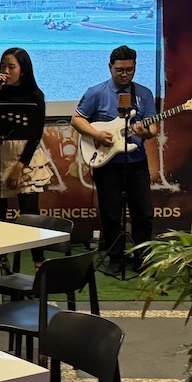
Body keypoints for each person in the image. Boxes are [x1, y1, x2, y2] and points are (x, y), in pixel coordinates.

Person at [70, 45, 158, 271]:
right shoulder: (96, 92)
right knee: (111, 213)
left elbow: (153, 129)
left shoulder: (144, 94)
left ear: (135, 67)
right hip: (108, 164)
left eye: (129, 69)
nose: (124, 74)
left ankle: (142, 258)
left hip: (136, 161)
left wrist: (143, 131)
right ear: (110, 68)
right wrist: (97, 134)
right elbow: (77, 120)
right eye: (119, 70)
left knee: (144, 213)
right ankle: (115, 258)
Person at [0, 47, 50, 222]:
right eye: (2, 67)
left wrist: (20, 165)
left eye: (11, 67)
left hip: (25, 158)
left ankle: (35, 250)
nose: (5, 72)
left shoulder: (35, 95)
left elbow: (36, 133)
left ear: (23, 70)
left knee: (30, 215)